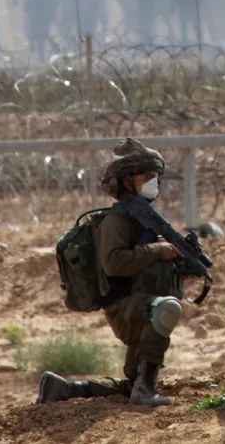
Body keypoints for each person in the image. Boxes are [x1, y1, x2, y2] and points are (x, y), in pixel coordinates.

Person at [37, 138, 188, 406]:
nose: (155, 182)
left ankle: (65, 390)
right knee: (167, 308)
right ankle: (145, 391)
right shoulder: (117, 220)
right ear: (126, 181)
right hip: (124, 306)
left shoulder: (142, 217)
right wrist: (157, 250)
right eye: (148, 176)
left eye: (157, 176)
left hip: (142, 301)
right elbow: (114, 263)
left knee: (127, 385)